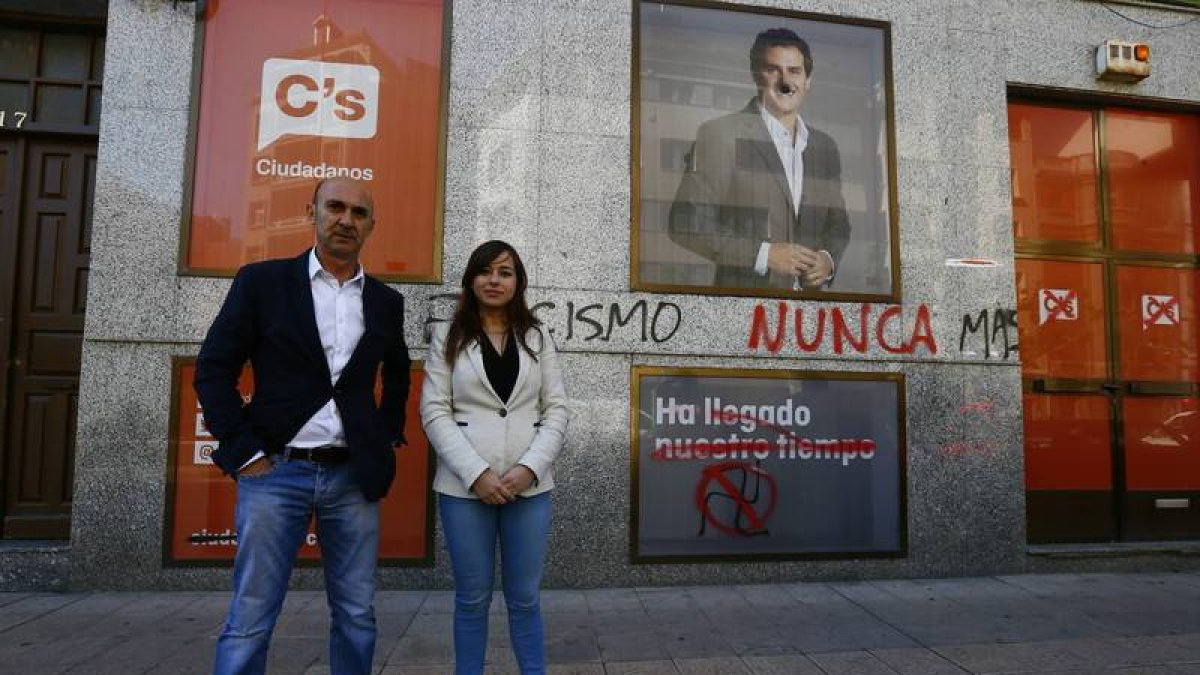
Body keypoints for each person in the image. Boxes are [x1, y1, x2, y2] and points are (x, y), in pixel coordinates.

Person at [195, 177, 411, 675]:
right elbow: (214, 368)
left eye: (359, 213)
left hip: (352, 478)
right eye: (335, 207)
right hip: (275, 473)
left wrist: (383, 437)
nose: (346, 220)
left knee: (358, 615)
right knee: (251, 616)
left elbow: (397, 376)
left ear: (371, 227)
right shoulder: (262, 282)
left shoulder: (385, 302)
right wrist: (244, 451)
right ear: (311, 211)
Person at [421, 240, 570, 675]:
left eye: (505, 272)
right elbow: (434, 410)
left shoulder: (537, 337)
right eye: (485, 271)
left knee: (525, 598)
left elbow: (556, 409)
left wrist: (529, 469)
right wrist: (476, 474)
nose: (494, 280)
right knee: (471, 598)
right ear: (470, 279)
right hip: (465, 490)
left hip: (530, 488)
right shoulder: (448, 336)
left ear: (518, 282)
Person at [668, 27, 850, 291]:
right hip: (746, 308)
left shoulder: (825, 147)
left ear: (808, 80)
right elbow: (685, 224)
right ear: (756, 75)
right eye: (773, 70)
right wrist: (763, 255)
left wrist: (827, 259)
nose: (785, 81)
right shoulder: (720, 134)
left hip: (810, 315)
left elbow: (839, 225)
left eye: (794, 71)